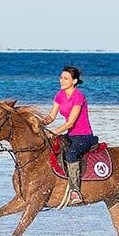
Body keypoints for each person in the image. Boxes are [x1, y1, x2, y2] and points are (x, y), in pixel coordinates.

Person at [43, 66, 97, 205]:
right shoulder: (59, 95)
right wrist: (39, 124)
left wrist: (53, 132)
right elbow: (51, 117)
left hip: (84, 136)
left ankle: (75, 191)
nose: (62, 81)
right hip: (71, 135)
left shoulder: (78, 96)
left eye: (66, 78)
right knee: (51, 147)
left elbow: (70, 123)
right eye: (61, 77)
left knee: (71, 154)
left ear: (74, 81)